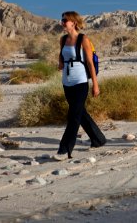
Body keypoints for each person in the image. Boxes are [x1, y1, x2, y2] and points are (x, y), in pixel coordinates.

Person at [53, 11, 106, 161]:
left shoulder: (83, 39)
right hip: (67, 82)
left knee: (73, 116)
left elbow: (89, 62)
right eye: (62, 20)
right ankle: (98, 139)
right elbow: (61, 55)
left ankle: (65, 149)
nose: (62, 23)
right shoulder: (63, 39)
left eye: (65, 20)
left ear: (73, 22)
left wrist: (95, 84)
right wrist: (60, 63)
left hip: (81, 81)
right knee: (80, 112)